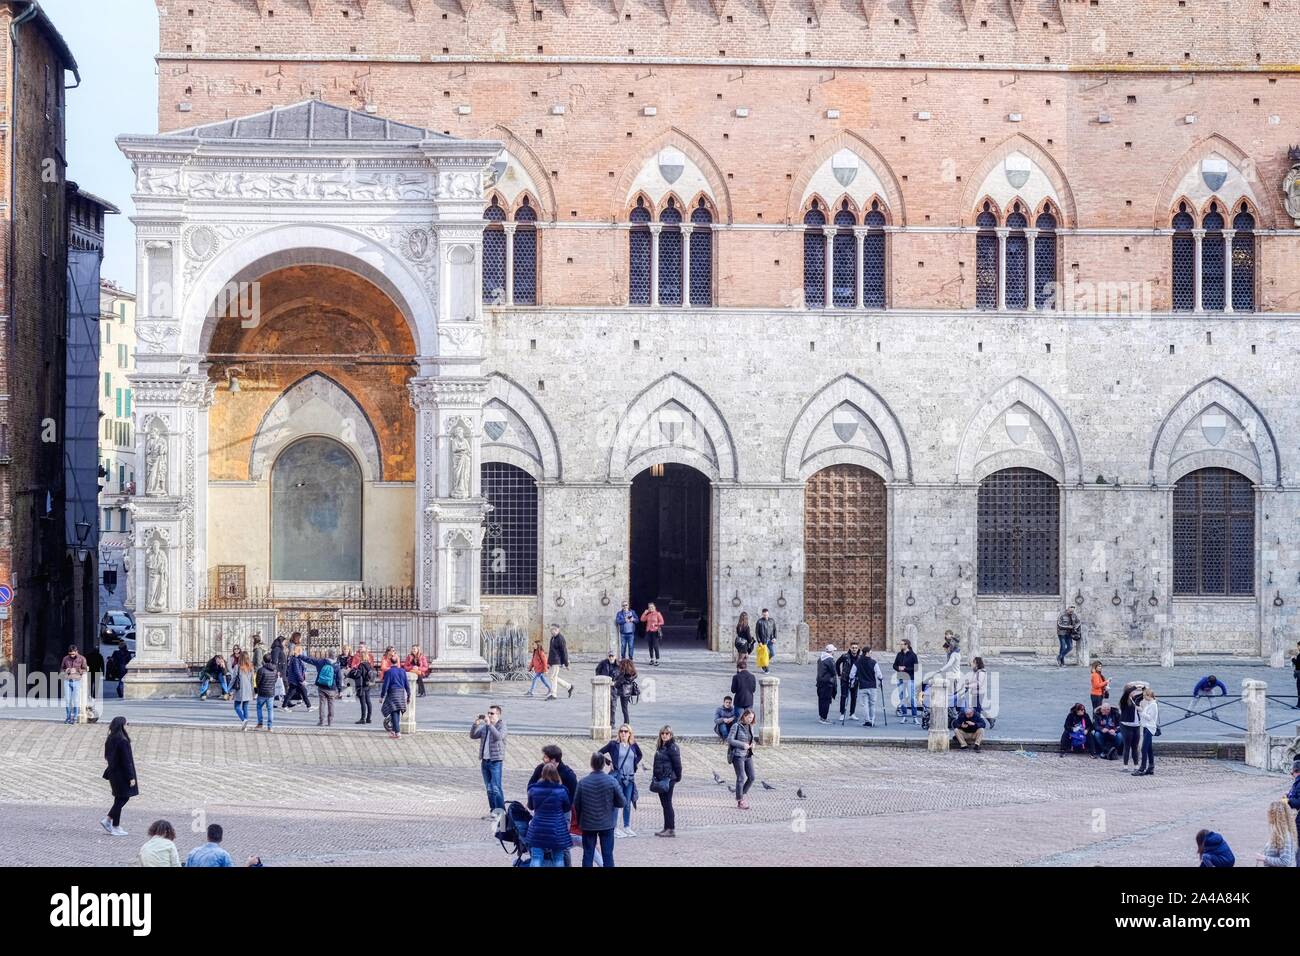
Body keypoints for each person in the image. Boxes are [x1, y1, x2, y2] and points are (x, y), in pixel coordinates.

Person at [574, 751, 627, 866]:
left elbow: (576, 804)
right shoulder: (611, 781)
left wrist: (580, 819)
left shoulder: (583, 782)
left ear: (591, 764)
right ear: (603, 764)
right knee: (607, 854)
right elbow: (622, 802)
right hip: (607, 823)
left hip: (588, 823)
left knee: (588, 853)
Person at [525, 764, 572, 868]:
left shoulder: (533, 790)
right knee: (558, 858)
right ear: (556, 774)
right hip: (557, 829)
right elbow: (567, 807)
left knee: (536, 858)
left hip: (538, 828)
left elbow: (531, 807)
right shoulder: (562, 791)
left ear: (542, 774)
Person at [600, 726, 642, 838]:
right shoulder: (613, 745)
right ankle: (614, 827)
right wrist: (609, 762)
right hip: (618, 777)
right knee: (617, 803)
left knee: (627, 803)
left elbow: (640, 755)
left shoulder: (633, 745)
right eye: (621, 731)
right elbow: (599, 753)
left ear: (629, 733)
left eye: (626, 731)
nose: (623, 733)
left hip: (630, 778)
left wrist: (634, 763)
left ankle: (627, 827)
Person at [100, 716, 137, 837]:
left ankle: (114, 824)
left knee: (119, 798)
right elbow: (126, 761)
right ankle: (111, 821)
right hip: (121, 774)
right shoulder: (123, 741)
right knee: (123, 798)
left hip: (113, 773)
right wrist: (131, 777)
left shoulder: (111, 738)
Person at [471, 704, 507, 816]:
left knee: (496, 787)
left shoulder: (502, 725)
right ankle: (493, 811)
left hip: (496, 761)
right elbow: (473, 735)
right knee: (489, 788)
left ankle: (501, 812)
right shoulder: (485, 728)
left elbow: (499, 737)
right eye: (488, 713)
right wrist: (475, 724)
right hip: (485, 761)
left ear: (498, 715)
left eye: (492, 713)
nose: (489, 715)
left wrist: (489, 725)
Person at [298, 648, 342, 727]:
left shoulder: (321, 662)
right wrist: (340, 690)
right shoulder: (337, 665)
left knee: (322, 704)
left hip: (321, 686)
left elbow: (309, 660)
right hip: (332, 687)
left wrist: (299, 656)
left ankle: (321, 721)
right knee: (331, 704)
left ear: (328, 654)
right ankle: (330, 722)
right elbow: (339, 678)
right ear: (335, 655)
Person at [651, 725, 682, 838]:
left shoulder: (673, 748)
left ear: (671, 735)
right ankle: (666, 827)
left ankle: (671, 828)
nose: (664, 735)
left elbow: (678, 765)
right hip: (661, 778)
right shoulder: (661, 746)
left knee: (667, 803)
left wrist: (677, 777)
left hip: (669, 778)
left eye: (667, 733)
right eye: (663, 733)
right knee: (664, 804)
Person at [728, 709, 757, 810]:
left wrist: (753, 744)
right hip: (737, 755)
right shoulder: (736, 726)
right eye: (749, 717)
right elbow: (730, 739)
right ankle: (740, 800)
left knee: (752, 777)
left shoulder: (751, 726)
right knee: (741, 777)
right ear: (744, 716)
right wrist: (742, 745)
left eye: (752, 718)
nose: (750, 720)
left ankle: (740, 794)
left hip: (748, 755)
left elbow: (752, 739)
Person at [1257, 800, 1298, 868]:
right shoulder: (1279, 833)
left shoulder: (1285, 836)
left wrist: (1264, 858)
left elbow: (1285, 861)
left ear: (1274, 816)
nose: (1268, 816)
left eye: (1270, 814)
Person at [380, 651, 409, 738]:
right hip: (401, 693)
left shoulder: (389, 672)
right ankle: (393, 731)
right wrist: (409, 695)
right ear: (398, 661)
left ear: (390, 661)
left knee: (393, 712)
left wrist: (382, 696)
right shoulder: (402, 671)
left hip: (392, 693)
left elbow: (385, 685)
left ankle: (397, 732)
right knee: (397, 712)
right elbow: (406, 684)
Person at [835, 642, 865, 721]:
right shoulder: (845, 656)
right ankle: (842, 713)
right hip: (845, 679)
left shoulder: (860, 657)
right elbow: (837, 663)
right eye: (853, 647)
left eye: (856, 648)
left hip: (855, 680)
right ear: (850, 648)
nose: (854, 649)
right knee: (844, 696)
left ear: (858, 649)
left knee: (854, 697)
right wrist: (839, 674)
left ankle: (852, 713)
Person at [1133, 687, 1159, 776]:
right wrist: (1140, 711)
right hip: (1145, 727)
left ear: (1149, 695)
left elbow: (1149, 717)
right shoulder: (1149, 704)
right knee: (1149, 748)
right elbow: (1145, 716)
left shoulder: (1153, 705)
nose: (1143, 697)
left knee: (1144, 748)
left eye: (1144, 695)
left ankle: (1142, 768)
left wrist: (1141, 711)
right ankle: (1151, 767)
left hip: (1149, 728)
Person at [963, 656, 993, 729]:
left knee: (977, 709)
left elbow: (979, 683)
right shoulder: (977, 672)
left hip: (979, 693)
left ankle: (980, 723)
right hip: (976, 692)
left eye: (973, 662)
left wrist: (968, 686)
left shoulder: (981, 672)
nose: (972, 664)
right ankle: (989, 720)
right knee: (977, 708)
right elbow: (974, 681)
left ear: (976, 663)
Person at [893, 638, 919, 724]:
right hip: (900, 678)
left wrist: (905, 669)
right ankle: (904, 716)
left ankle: (915, 717)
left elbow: (916, 668)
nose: (900, 645)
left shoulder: (913, 655)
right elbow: (894, 665)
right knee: (902, 698)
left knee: (912, 698)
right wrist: (898, 668)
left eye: (902, 644)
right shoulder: (899, 654)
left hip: (909, 678)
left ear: (906, 645)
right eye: (900, 644)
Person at [858, 645, 885, 727]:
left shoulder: (858, 662)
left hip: (862, 686)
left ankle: (867, 720)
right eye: (870, 652)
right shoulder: (873, 662)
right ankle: (872, 720)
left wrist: (851, 681)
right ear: (866, 653)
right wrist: (881, 681)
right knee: (872, 704)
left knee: (865, 705)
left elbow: (853, 672)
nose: (871, 653)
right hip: (872, 686)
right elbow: (879, 674)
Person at [348, 649, 376, 725]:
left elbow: (359, 675)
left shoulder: (361, 665)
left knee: (363, 702)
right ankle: (369, 718)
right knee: (368, 701)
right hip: (368, 685)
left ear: (361, 657)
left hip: (362, 685)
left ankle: (362, 718)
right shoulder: (369, 665)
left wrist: (354, 671)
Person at [61, 645, 88, 724]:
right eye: (70, 654)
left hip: (77, 680)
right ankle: (68, 717)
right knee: (67, 700)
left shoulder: (82, 658)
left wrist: (76, 670)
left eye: (73, 654)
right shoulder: (65, 658)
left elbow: (85, 669)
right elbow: (61, 668)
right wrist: (67, 670)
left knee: (76, 700)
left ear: (76, 652)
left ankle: (75, 717)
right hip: (67, 680)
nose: (72, 655)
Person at [545, 625, 574, 700]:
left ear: (558, 630)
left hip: (556, 661)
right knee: (553, 677)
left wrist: (566, 664)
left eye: (553, 629)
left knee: (552, 677)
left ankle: (553, 694)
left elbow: (564, 652)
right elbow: (551, 651)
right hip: (552, 660)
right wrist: (548, 662)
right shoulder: (552, 638)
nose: (552, 631)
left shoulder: (560, 639)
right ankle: (569, 686)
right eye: (551, 629)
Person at [1118, 683, 1142, 767]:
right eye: (1133, 691)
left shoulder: (1134, 699)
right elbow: (1127, 692)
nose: (1134, 692)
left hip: (1136, 725)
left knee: (1135, 746)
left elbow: (1144, 695)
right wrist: (1136, 686)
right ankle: (1125, 765)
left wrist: (1144, 688)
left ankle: (1136, 765)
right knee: (1127, 746)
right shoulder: (1124, 700)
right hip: (1126, 725)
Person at [281, 645, 310, 711]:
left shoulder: (295, 658)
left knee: (293, 693)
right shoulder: (295, 659)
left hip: (295, 680)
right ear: (299, 651)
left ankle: (309, 706)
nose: (302, 652)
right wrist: (302, 680)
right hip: (296, 680)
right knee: (302, 692)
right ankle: (309, 706)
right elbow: (297, 671)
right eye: (301, 650)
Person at [254, 653, 277, 731]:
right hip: (271, 692)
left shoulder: (261, 670)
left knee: (259, 707)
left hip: (262, 692)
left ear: (263, 660)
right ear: (271, 660)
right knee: (270, 709)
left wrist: (258, 689)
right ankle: (270, 727)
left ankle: (260, 723)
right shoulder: (274, 670)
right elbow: (275, 680)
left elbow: (257, 681)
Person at [231, 654, 255, 730]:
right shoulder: (251, 667)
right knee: (245, 707)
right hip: (248, 689)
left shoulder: (237, 667)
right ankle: (245, 726)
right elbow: (252, 680)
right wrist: (252, 690)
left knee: (236, 706)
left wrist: (229, 689)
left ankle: (243, 720)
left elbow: (233, 679)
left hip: (240, 689)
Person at [816, 644, 838, 723]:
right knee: (826, 701)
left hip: (820, 682)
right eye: (833, 651)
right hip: (827, 683)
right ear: (831, 651)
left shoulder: (820, 658)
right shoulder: (830, 660)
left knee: (821, 700)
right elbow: (833, 671)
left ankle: (821, 716)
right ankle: (824, 718)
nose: (834, 653)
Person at [613, 658, 638, 727]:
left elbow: (617, 684)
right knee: (625, 708)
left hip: (623, 693)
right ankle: (626, 722)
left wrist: (615, 682)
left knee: (624, 708)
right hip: (628, 692)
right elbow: (636, 675)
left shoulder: (623, 674)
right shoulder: (632, 673)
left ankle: (626, 723)